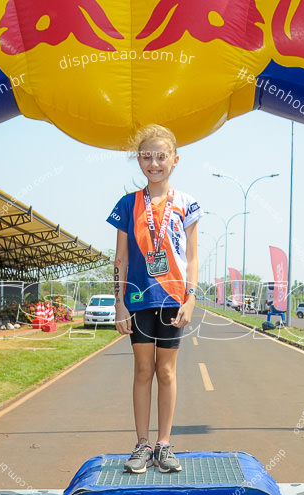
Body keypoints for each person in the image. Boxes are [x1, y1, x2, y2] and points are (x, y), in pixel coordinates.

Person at [109, 124, 201, 474]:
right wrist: (119, 302)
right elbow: (120, 258)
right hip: (138, 299)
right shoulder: (127, 204)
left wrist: (191, 298)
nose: (154, 163)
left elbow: (192, 257)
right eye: (147, 156)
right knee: (143, 370)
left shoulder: (186, 204)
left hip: (173, 299)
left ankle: (164, 444)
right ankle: (141, 445)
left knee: (166, 371)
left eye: (161, 157)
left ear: (174, 160)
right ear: (139, 160)